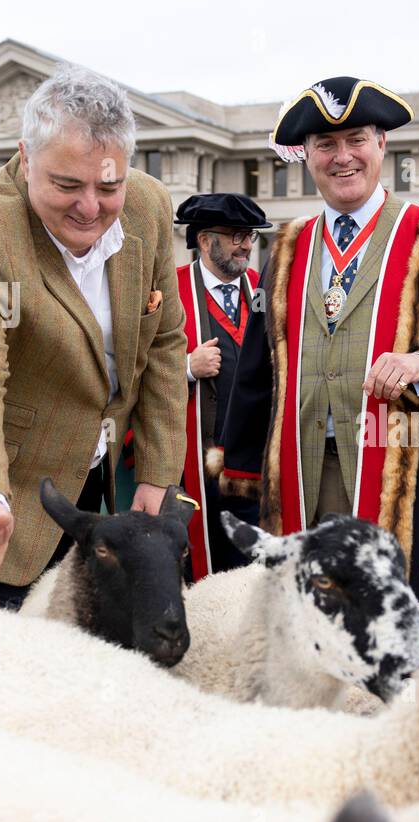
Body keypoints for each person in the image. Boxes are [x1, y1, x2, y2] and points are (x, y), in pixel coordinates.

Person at [0, 66, 188, 610]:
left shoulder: (149, 204)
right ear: (26, 159)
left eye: (108, 186)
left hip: (96, 460)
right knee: (15, 653)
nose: (90, 208)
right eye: (66, 185)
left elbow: (165, 341)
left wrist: (158, 473)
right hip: (7, 466)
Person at [219, 76, 419, 596]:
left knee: (404, 642)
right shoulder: (288, 248)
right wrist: (242, 482)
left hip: (406, 477)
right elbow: (255, 375)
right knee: (310, 628)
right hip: (303, 476)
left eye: (356, 139)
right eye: (325, 145)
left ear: (382, 144)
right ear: (307, 155)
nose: (343, 157)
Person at [171, 193, 272, 575]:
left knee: (249, 566)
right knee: (196, 567)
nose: (246, 244)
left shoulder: (263, 290)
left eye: (250, 236)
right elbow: (137, 373)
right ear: (203, 239)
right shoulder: (170, 292)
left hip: (251, 463)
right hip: (192, 462)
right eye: (235, 235)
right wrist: (187, 367)